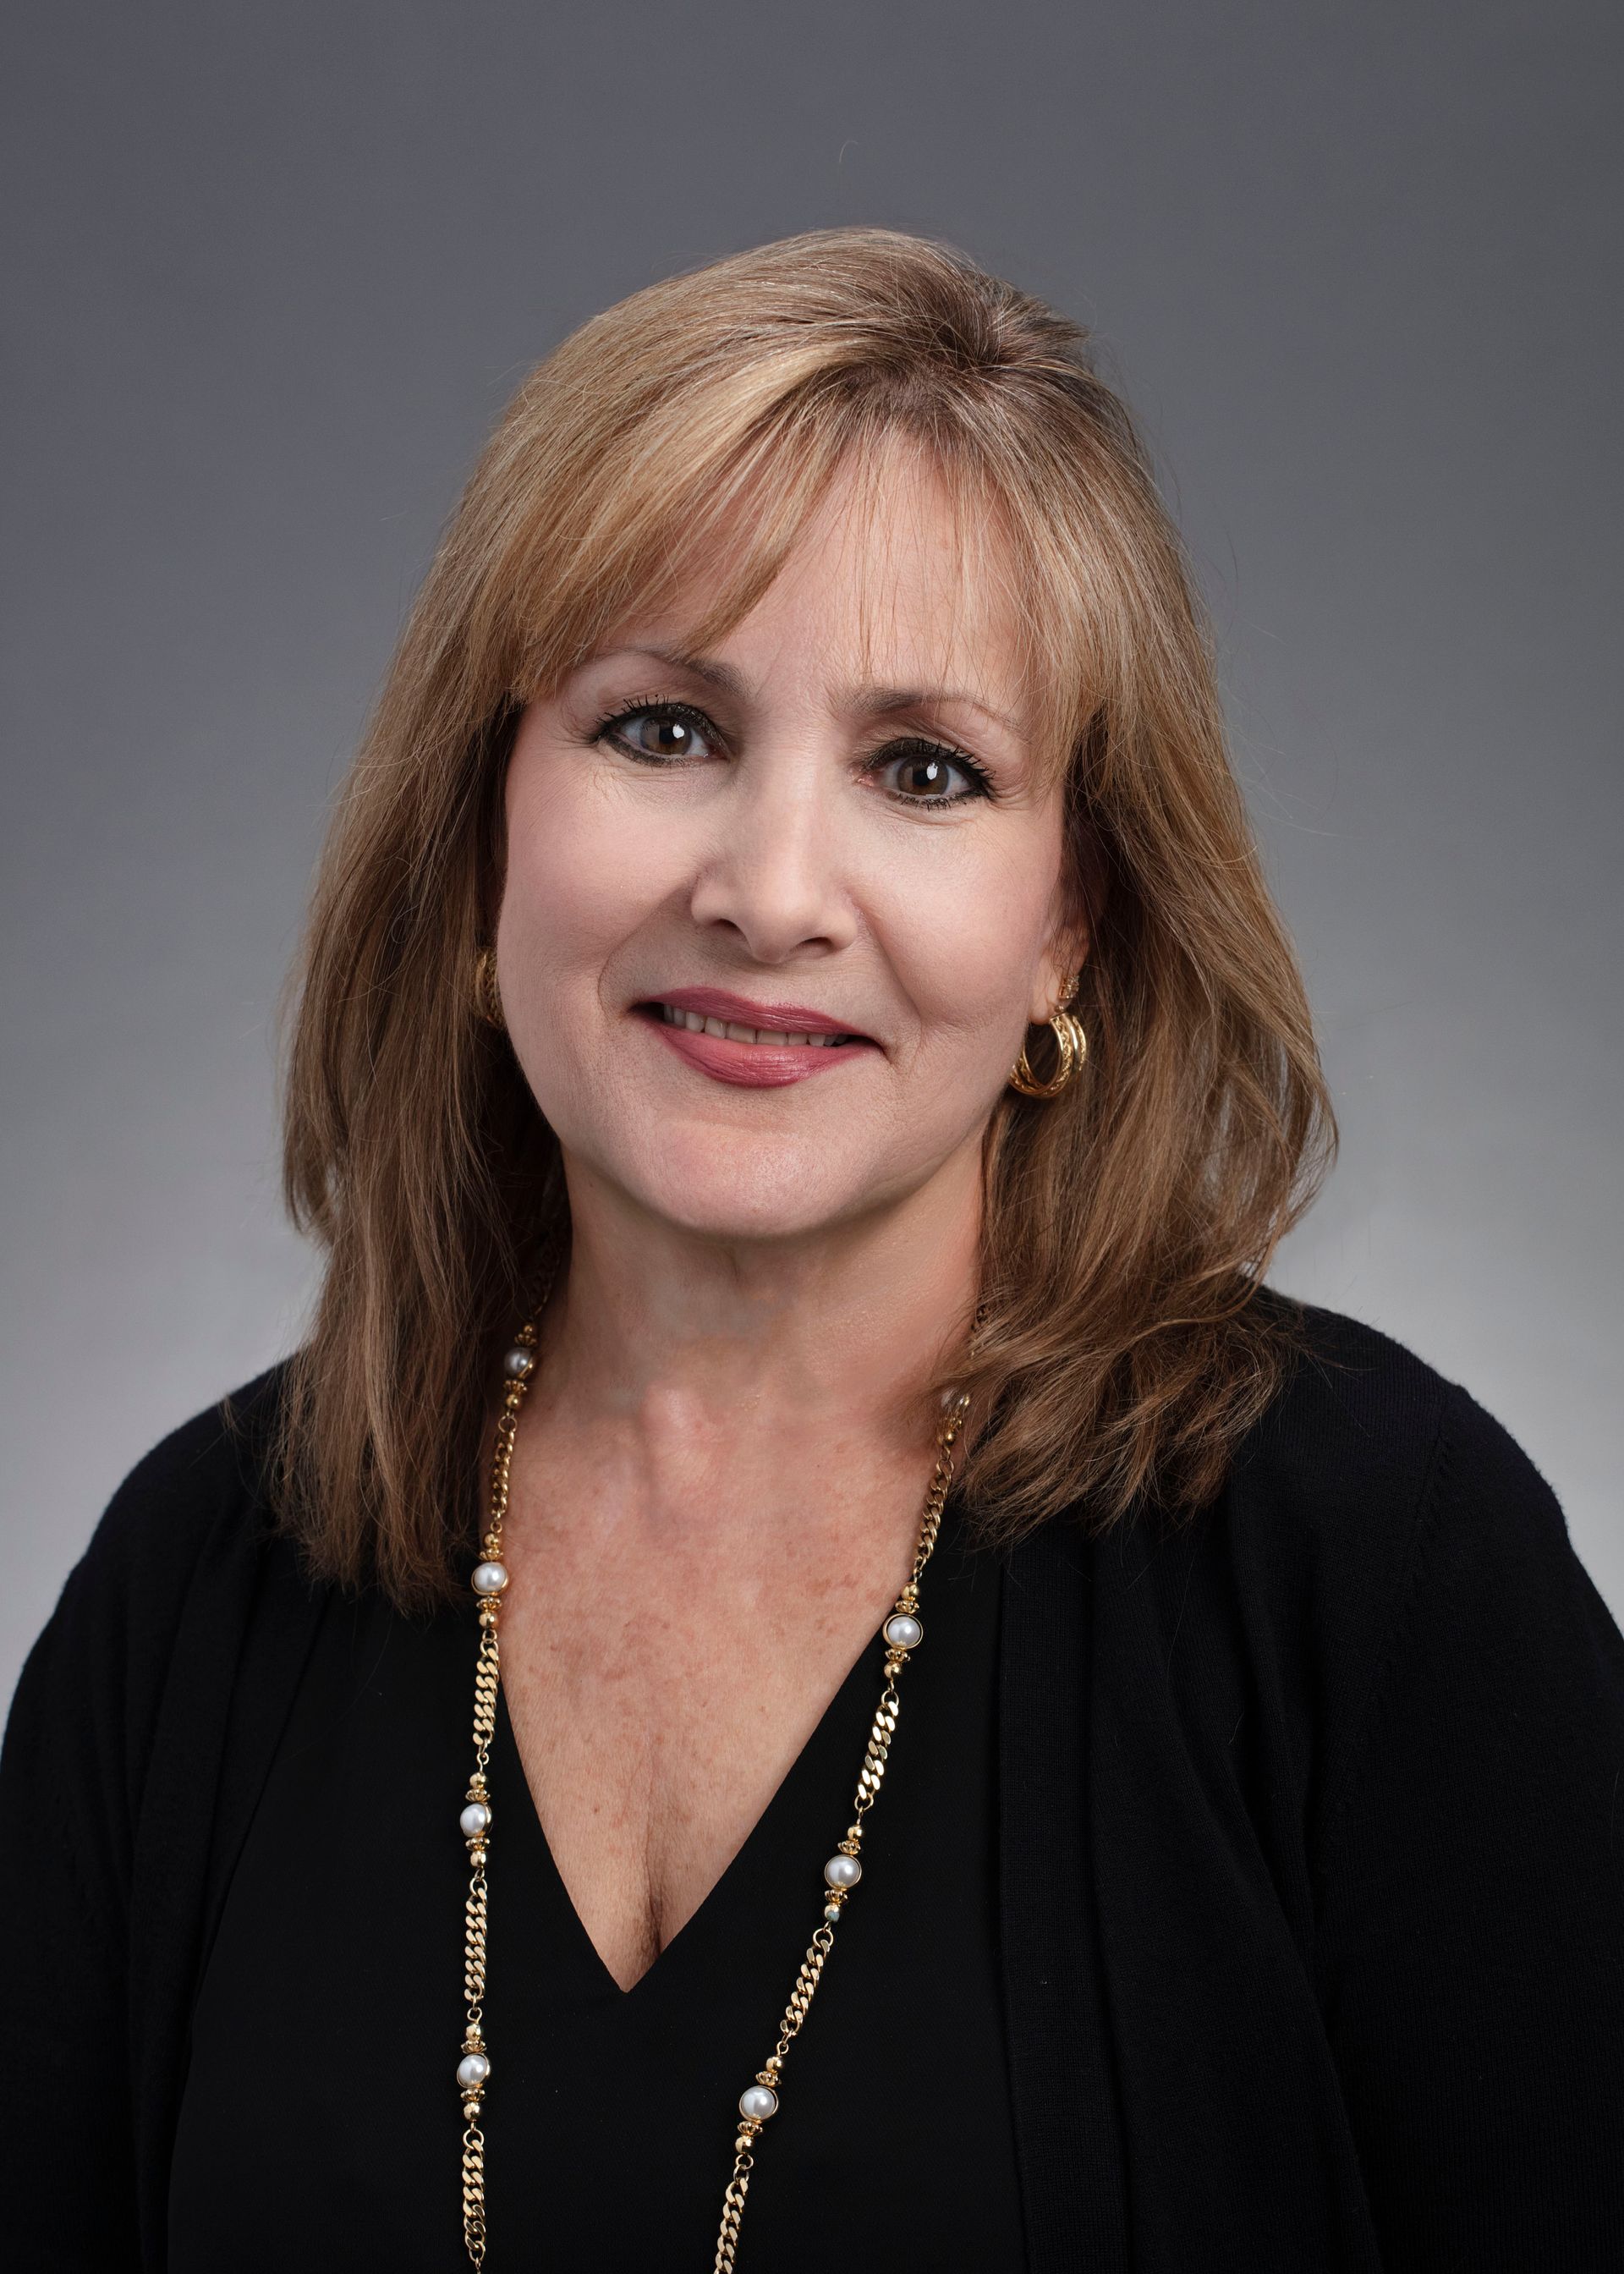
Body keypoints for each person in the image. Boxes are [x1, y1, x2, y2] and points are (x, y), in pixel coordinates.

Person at [2, 226, 1620, 2274]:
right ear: (485, 821)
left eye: (924, 770)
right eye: (662, 727)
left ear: (1069, 926)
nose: (770, 892)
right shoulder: (202, 1582)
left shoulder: (1379, 1570)